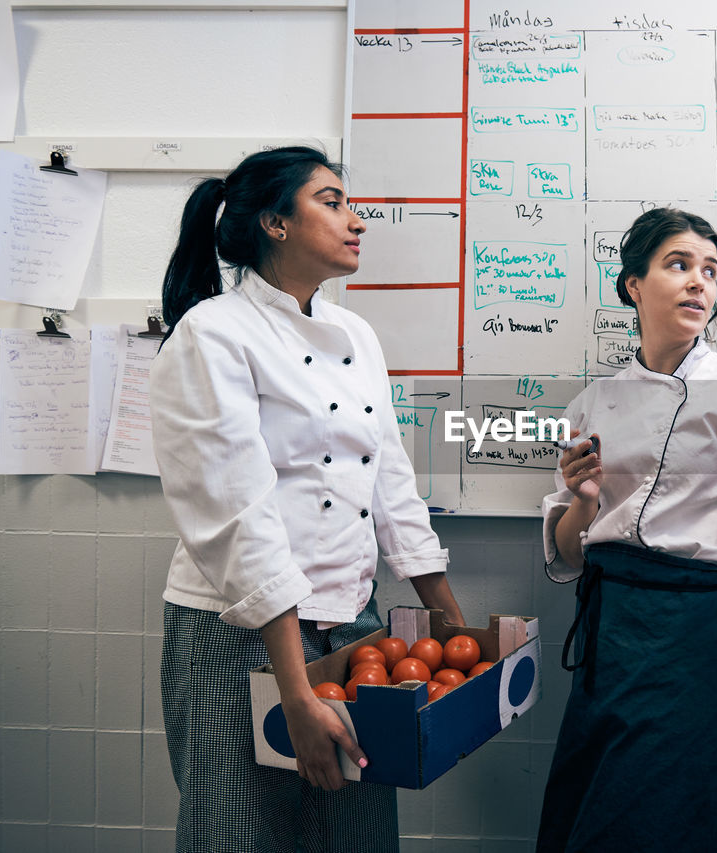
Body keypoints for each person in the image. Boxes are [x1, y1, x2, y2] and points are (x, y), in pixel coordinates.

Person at [151, 146, 465, 853]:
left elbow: (392, 487)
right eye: (332, 201)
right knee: (238, 835)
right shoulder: (213, 333)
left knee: (353, 836)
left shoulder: (356, 335)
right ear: (275, 223)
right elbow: (241, 517)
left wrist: (450, 619)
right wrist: (294, 690)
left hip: (352, 627)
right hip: (237, 636)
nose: (357, 220)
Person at [536, 208, 717, 852]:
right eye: (679, 265)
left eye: (711, 271)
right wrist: (582, 503)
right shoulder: (593, 400)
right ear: (633, 285)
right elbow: (564, 553)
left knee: (669, 820)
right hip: (611, 630)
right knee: (589, 811)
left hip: (695, 635)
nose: (700, 283)